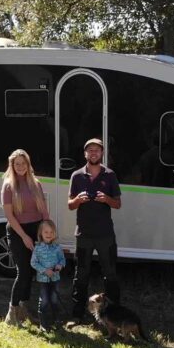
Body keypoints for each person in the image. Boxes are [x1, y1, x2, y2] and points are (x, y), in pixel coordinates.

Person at [68, 137, 121, 321]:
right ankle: (77, 315)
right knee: (81, 275)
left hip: (105, 234)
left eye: (97, 150)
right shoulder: (76, 176)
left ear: (102, 153)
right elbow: (70, 205)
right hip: (84, 235)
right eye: (90, 150)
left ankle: (114, 314)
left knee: (110, 274)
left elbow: (118, 204)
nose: (93, 153)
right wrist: (77, 200)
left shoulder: (110, 175)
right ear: (85, 154)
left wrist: (106, 199)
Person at [2, 149, 50, 325]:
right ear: (12, 166)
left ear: (28, 164)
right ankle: (12, 313)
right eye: (17, 164)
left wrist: (47, 232)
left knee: (31, 272)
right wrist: (24, 237)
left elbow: (43, 210)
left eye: (23, 163)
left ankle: (24, 311)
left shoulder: (36, 183)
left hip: (36, 229)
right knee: (23, 272)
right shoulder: (8, 186)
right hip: (17, 231)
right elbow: (9, 216)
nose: (20, 166)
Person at [30, 219, 66, 330]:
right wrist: (45, 271)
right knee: (44, 301)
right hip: (42, 279)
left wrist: (60, 266)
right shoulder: (37, 248)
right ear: (41, 233)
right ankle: (44, 324)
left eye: (51, 232)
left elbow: (62, 260)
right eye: (46, 232)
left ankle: (57, 321)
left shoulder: (57, 248)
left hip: (55, 278)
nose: (49, 235)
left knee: (55, 299)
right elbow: (33, 263)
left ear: (54, 233)